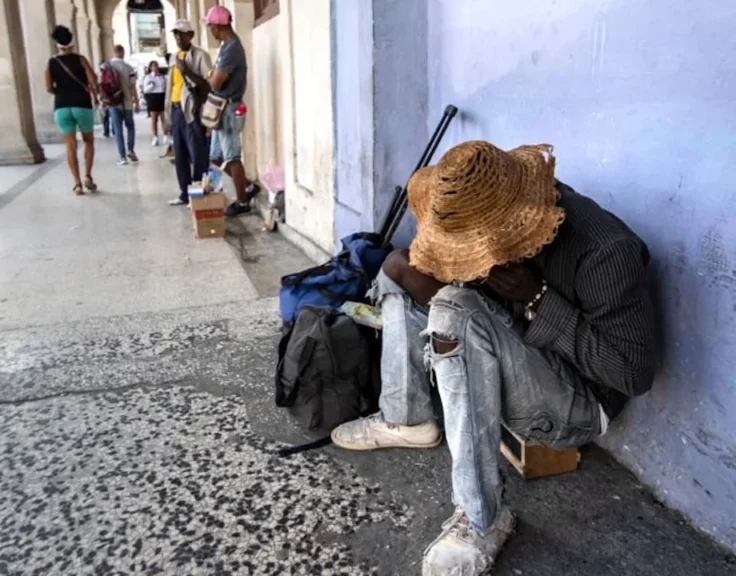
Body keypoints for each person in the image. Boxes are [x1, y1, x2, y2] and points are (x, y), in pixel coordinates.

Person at [329, 141, 657, 576]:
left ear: (513, 229)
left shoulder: (605, 251)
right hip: (520, 349)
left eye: (472, 250)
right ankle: (407, 418)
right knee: (398, 267)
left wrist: (537, 297)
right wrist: (418, 271)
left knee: (453, 312)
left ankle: (482, 516)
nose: (469, 260)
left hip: (578, 403)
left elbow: (632, 375)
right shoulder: (492, 209)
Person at [180, 6, 260, 216]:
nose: (209, 30)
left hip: (229, 107)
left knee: (232, 156)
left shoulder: (232, 48)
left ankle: (242, 202)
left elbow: (215, 82)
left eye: (210, 26)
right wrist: (212, 76)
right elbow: (214, 78)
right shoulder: (226, 47)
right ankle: (248, 187)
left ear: (217, 26)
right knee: (216, 158)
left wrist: (210, 76)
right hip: (221, 108)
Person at [163, 19, 213, 206]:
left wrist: (187, 71)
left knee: (197, 154)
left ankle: (198, 194)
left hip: (192, 110)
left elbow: (208, 85)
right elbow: (170, 87)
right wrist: (167, 115)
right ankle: (185, 193)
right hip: (176, 109)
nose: (178, 37)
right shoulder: (173, 58)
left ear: (191, 35)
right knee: (180, 155)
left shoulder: (200, 56)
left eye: (182, 33)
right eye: (175, 34)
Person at [45, 25, 98, 196]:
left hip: (62, 106)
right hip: (82, 104)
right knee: (88, 141)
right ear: (72, 43)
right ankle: (88, 176)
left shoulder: (51, 62)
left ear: (57, 44)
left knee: (70, 145)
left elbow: (48, 87)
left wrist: (61, 92)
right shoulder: (81, 60)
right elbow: (93, 80)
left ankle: (77, 184)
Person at [107, 45, 140, 166]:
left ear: (114, 52)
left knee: (118, 130)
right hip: (127, 102)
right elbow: (132, 86)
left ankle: (122, 157)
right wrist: (136, 102)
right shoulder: (129, 68)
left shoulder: (107, 66)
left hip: (114, 103)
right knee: (130, 126)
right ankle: (130, 150)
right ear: (123, 53)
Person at [142, 62, 168, 146]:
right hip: (153, 97)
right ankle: (155, 137)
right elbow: (145, 90)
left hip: (161, 96)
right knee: (154, 119)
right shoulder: (148, 77)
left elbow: (165, 87)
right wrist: (151, 86)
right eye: (154, 66)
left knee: (164, 118)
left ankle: (166, 136)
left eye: (157, 65)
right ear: (150, 68)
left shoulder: (162, 76)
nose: (156, 67)